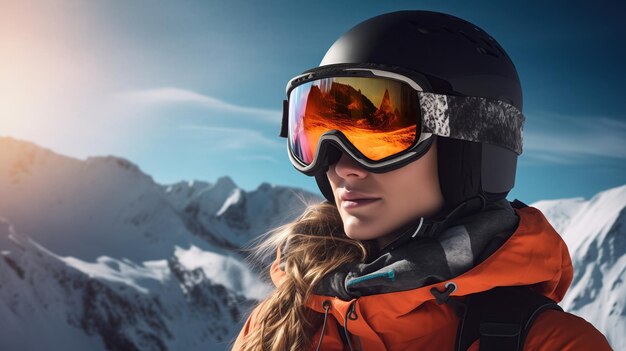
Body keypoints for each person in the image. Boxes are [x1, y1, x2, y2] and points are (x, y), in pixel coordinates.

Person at [231, 10, 613, 351]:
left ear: (469, 145)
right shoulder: (278, 325)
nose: (341, 166)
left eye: (380, 135)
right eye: (318, 133)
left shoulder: (554, 344)